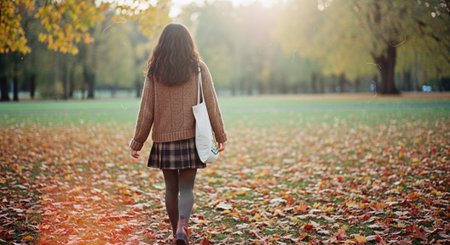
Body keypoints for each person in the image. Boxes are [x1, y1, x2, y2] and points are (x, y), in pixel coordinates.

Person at [129, 23, 227, 245]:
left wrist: (137, 142)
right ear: (187, 43)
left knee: (171, 189)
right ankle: (183, 225)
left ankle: (177, 233)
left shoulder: (155, 72)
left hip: (164, 141)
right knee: (187, 188)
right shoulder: (199, 68)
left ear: (161, 44)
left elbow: (146, 111)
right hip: (191, 139)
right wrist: (220, 135)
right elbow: (212, 104)